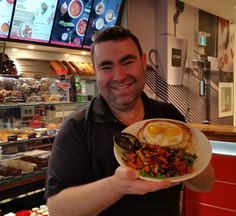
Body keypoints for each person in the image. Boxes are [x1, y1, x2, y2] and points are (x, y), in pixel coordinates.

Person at [44, 26, 214, 216]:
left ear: (142, 61)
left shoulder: (168, 116)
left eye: (127, 62)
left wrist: (189, 160)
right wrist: (117, 186)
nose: (119, 76)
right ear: (96, 72)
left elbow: (206, 185)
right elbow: (58, 210)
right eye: (106, 66)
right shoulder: (77, 128)